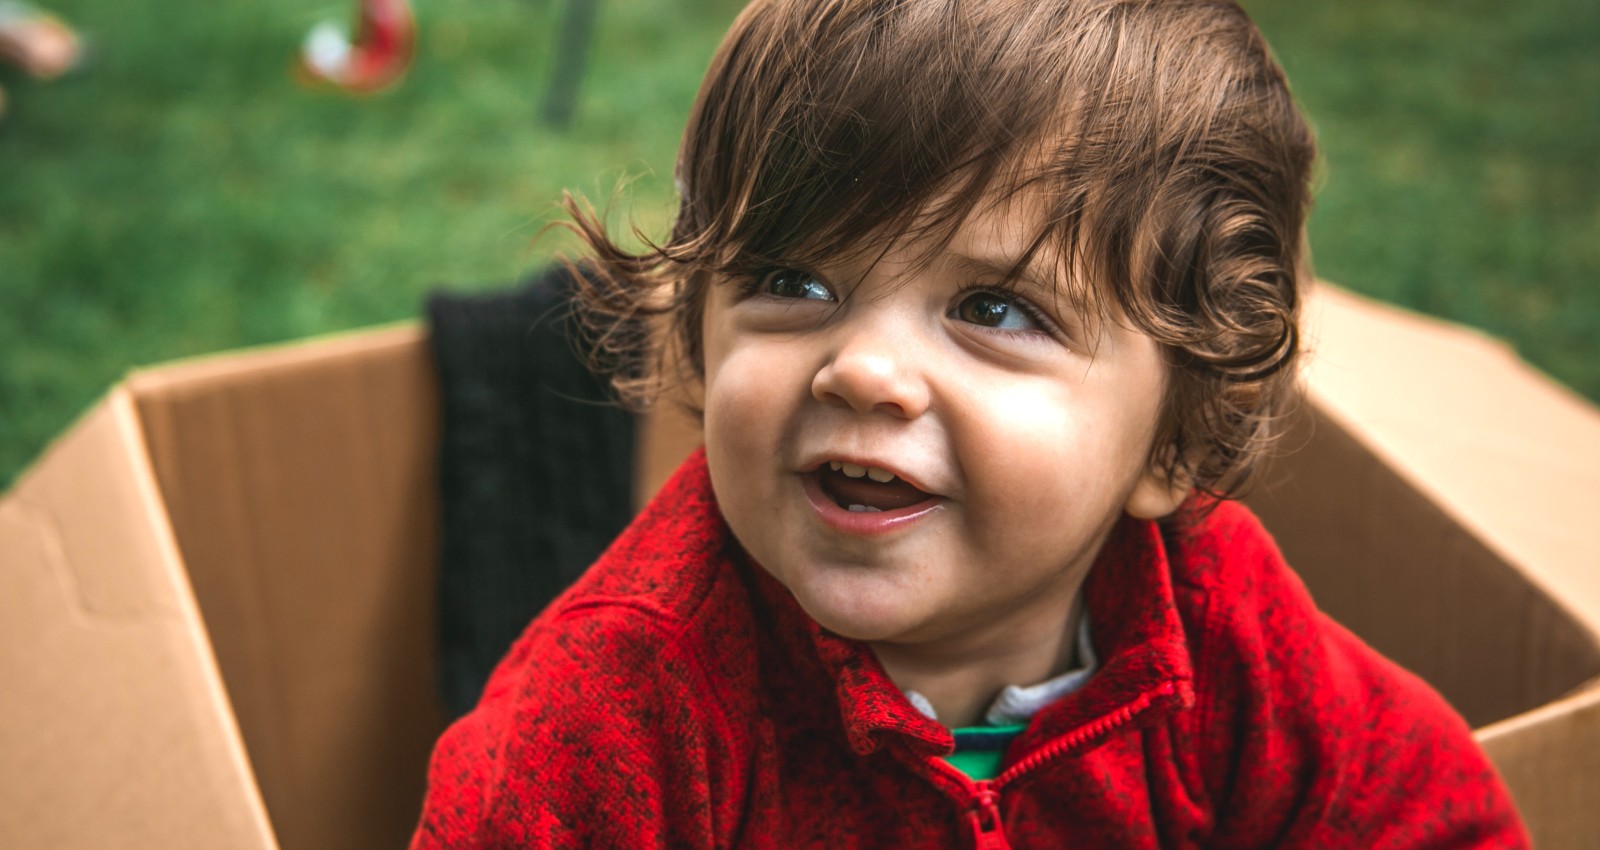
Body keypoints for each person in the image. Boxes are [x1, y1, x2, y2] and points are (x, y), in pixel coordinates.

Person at [409, 0, 1529, 846]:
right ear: (698, 332)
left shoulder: (1214, 624)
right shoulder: (613, 715)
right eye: (795, 282)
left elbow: (1423, 813)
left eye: (995, 310)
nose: (863, 370)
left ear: (1173, 444)